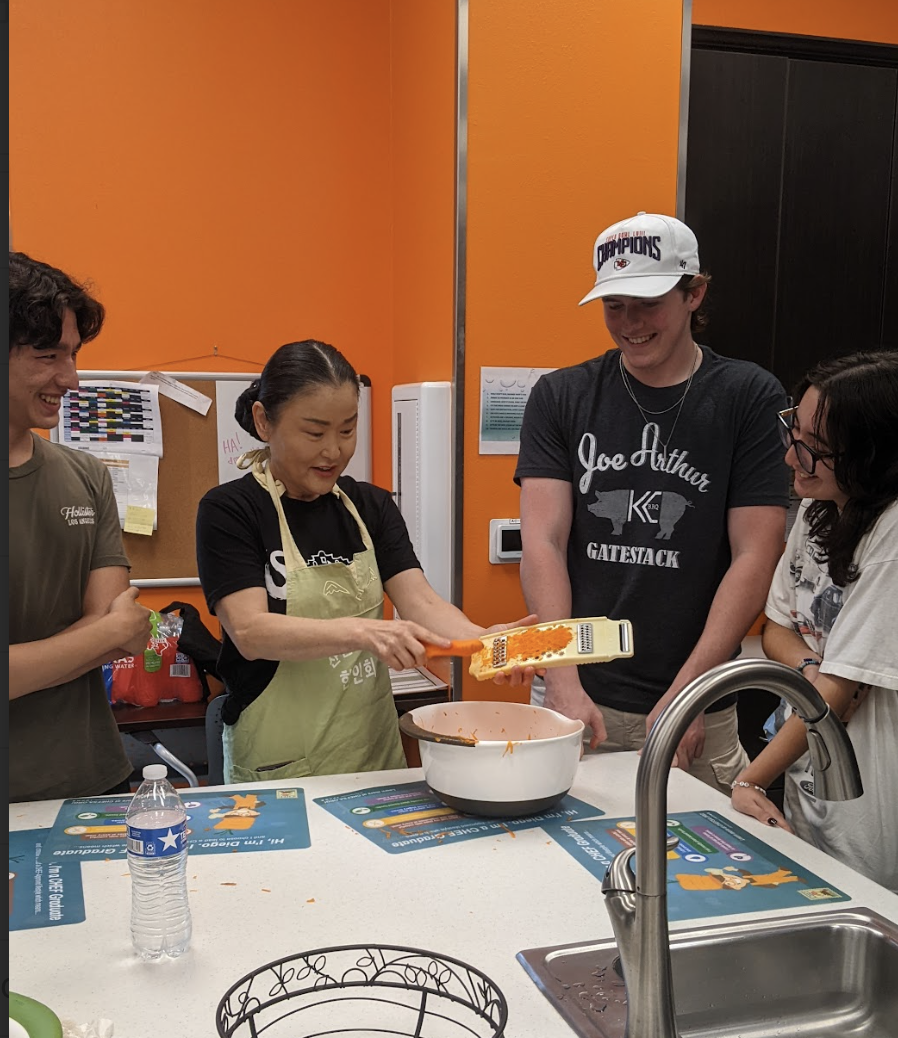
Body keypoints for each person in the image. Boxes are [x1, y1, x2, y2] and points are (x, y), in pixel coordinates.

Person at [515, 210, 789, 792]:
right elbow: (543, 540)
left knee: (697, 867)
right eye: (615, 306)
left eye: (648, 303)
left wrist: (691, 690)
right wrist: (561, 680)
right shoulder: (561, 395)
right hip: (574, 693)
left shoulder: (747, 395)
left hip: (695, 696)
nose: (630, 323)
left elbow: (755, 556)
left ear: (695, 293)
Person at [196, 343, 532, 783]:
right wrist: (365, 632)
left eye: (348, 430)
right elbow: (250, 632)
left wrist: (482, 641)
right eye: (314, 433)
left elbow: (422, 604)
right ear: (264, 421)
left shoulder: (369, 506)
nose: (333, 451)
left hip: (372, 757)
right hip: (278, 766)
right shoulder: (231, 511)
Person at [730, 352, 898, 892]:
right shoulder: (820, 508)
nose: (790, 457)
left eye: (812, 448)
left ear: (873, 454)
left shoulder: (892, 535)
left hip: (872, 799)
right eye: (792, 431)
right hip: (814, 773)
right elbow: (777, 627)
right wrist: (807, 667)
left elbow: (844, 688)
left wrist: (751, 778)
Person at [9, 251, 152, 802]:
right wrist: (100, 636)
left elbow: (117, 632)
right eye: (48, 355)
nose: (69, 379)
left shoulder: (85, 474)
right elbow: (108, 631)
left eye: (72, 355)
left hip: (95, 779)